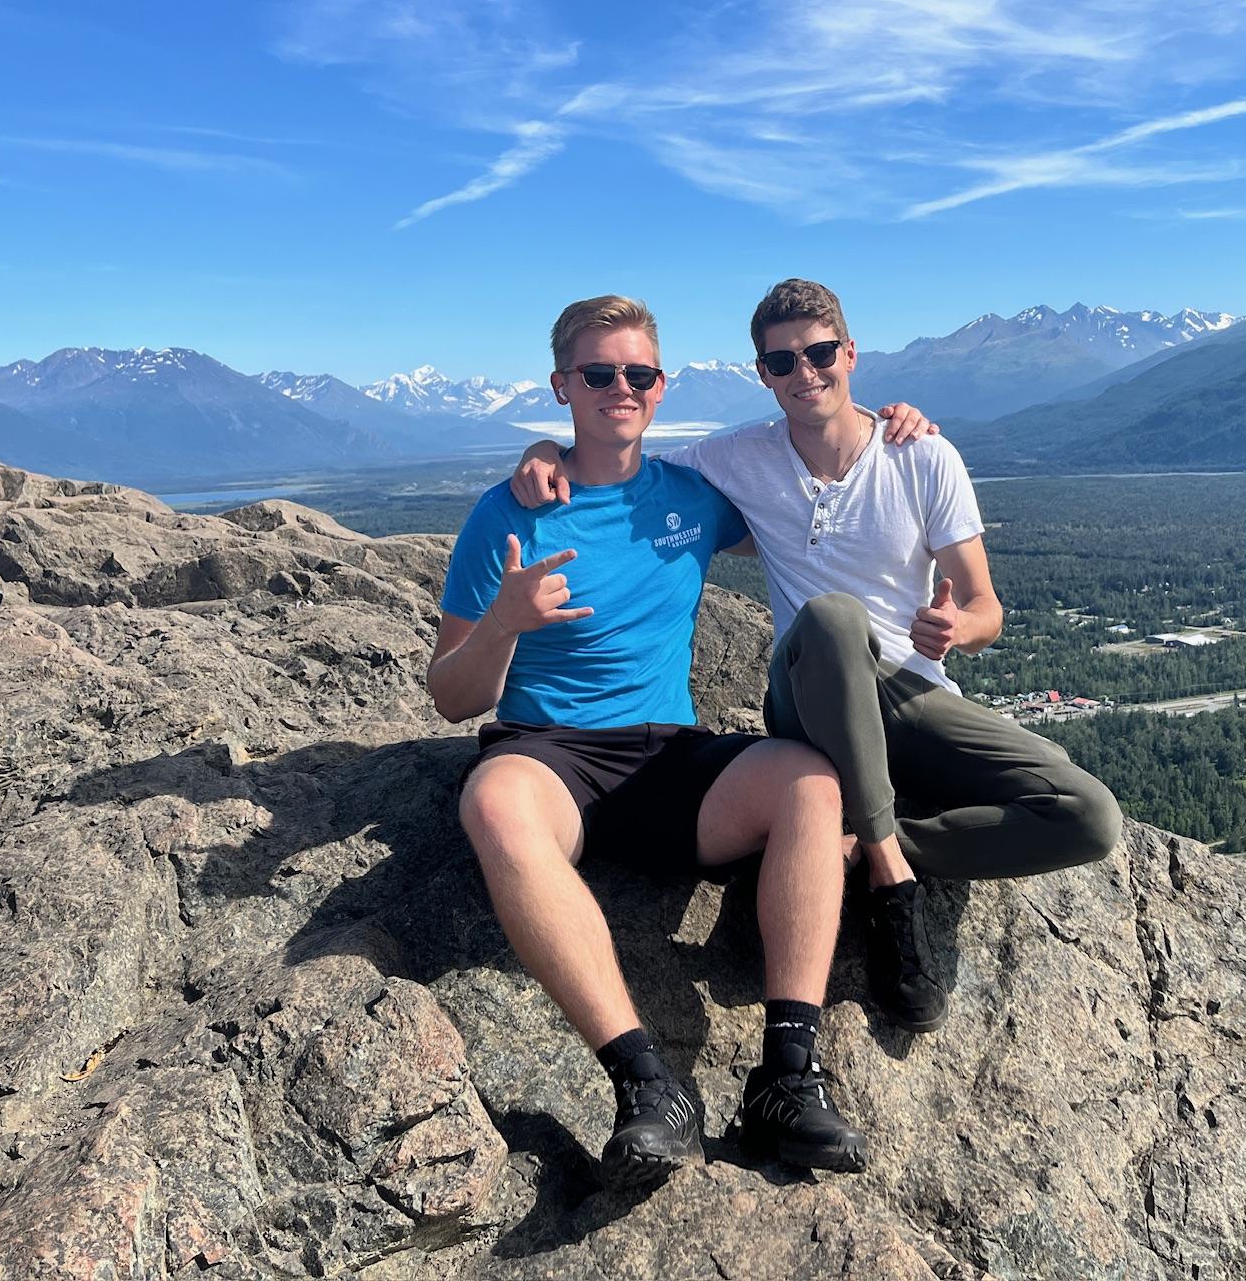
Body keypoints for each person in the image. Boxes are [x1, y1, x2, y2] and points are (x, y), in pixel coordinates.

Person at [512, 279, 1122, 1036]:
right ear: (763, 374)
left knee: (1088, 816)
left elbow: (985, 606)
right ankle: (893, 884)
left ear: (850, 354)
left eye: (820, 353)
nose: (805, 373)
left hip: (908, 691)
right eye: (782, 362)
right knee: (834, 619)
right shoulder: (737, 457)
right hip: (809, 696)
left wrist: (958, 629)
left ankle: (861, 845)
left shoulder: (923, 456)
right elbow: (619, 449)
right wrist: (544, 449)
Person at [428, 294, 868, 1190]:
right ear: (562, 386)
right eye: (598, 374)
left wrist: (891, 426)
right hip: (549, 754)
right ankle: (646, 1085)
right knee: (494, 803)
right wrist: (503, 623)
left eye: (638, 373)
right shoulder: (506, 515)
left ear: (662, 387)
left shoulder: (693, 498)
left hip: (667, 754)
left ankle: (787, 1078)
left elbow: (814, 475)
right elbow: (450, 697)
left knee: (810, 782)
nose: (619, 389)